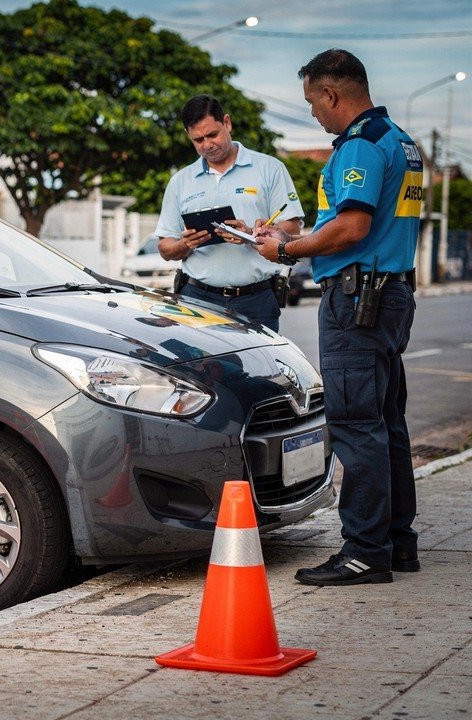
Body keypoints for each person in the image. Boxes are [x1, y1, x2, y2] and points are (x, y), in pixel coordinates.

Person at [254, 49, 422, 586]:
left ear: (331, 94)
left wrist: (286, 250)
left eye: (312, 102)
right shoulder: (401, 141)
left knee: (355, 425)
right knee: (386, 423)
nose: (312, 113)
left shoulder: (361, 145)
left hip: (357, 300)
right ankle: (396, 543)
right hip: (388, 293)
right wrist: (291, 237)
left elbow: (351, 227)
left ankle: (365, 551)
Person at [155, 94, 304, 331]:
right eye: (198, 140)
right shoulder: (180, 181)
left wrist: (250, 234)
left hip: (256, 300)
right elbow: (165, 248)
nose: (207, 145)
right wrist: (186, 244)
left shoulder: (270, 168)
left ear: (227, 123)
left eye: (212, 135)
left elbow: (291, 229)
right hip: (197, 300)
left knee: (259, 357)